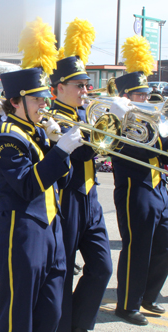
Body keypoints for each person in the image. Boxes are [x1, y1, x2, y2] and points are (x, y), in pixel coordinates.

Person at [0, 65, 82, 332]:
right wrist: (60, 150)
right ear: (15, 102)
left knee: (51, 311)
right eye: (36, 99)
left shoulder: (38, 132)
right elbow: (28, 186)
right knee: (18, 314)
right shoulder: (6, 137)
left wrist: (58, 145)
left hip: (52, 227)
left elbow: (63, 180)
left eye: (44, 98)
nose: (43, 104)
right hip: (22, 230)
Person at [50, 18, 113, 332]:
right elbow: (85, 153)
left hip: (91, 198)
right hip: (67, 199)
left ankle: (79, 323)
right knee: (61, 272)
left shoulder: (84, 113)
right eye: (80, 85)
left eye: (88, 85)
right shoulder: (52, 118)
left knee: (102, 267)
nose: (86, 90)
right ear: (60, 88)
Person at [111, 35, 168, 326]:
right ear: (125, 97)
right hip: (136, 190)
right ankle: (127, 304)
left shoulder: (152, 120)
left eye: (146, 94)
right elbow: (139, 149)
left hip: (159, 187)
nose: (145, 99)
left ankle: (149, 295)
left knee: (164, 243)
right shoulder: (117, 120)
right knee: (138, 247)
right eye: (139, 95)